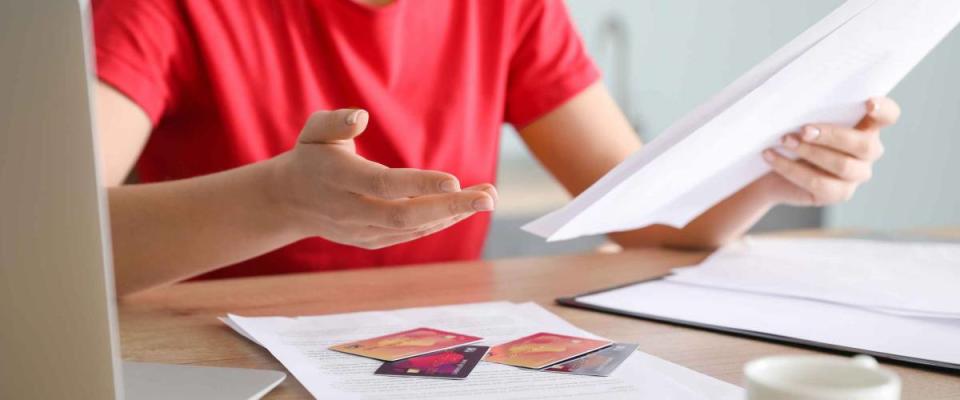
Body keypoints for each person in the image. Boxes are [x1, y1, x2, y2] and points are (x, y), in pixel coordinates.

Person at [93, 0, 900, 296]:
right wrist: (275, 199)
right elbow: (41, 245)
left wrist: (779, 174)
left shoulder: (511, 8)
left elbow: (654, 225)